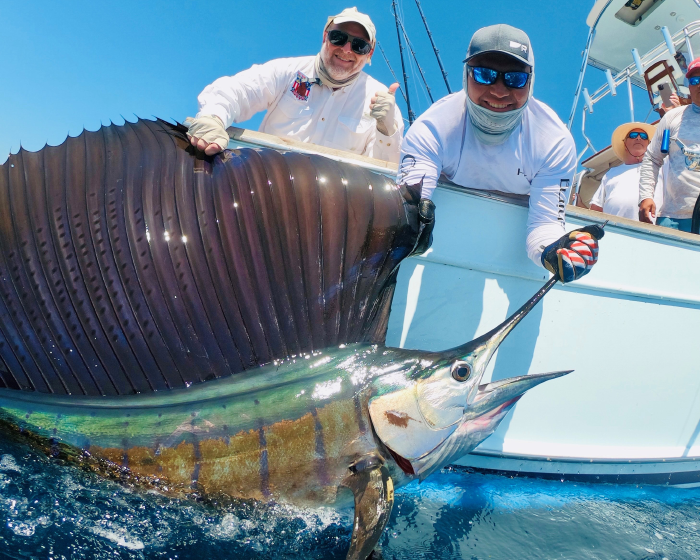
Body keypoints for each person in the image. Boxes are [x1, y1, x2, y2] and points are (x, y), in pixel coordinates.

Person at [398, 24, 603, 283]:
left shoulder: (554, 142)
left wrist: (555, 252)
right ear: (466, 76)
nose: (498, 90)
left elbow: (545, 225)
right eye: (484, 74)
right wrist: (409, 223)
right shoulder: (432, 128)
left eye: (515, 78)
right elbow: (408, 201)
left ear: (531, 81)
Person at [185, 7, 403, 163]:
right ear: (325, 36)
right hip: (264, 188)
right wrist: (213, 118)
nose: (346, 49)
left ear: (369, 53)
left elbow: (385, 170)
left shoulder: (381, 100)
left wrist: (387, 129)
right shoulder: (289, 70)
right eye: (338, 37)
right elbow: (238, 90)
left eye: (359, 46)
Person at [640, 57, 700, 231]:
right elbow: (652, 158)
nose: (699, 85)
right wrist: (645, 196)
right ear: (688, 86)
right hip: (673, 218)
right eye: (694, 80)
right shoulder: (672, 117)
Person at [590, 122, 664, 221]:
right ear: (624, 143)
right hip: (613, 231)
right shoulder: (611, 173)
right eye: (633, 136)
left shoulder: (661, 167)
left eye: (643, 136)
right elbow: (596, 208)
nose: (638, 138)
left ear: (649, 143)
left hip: (651, 230)